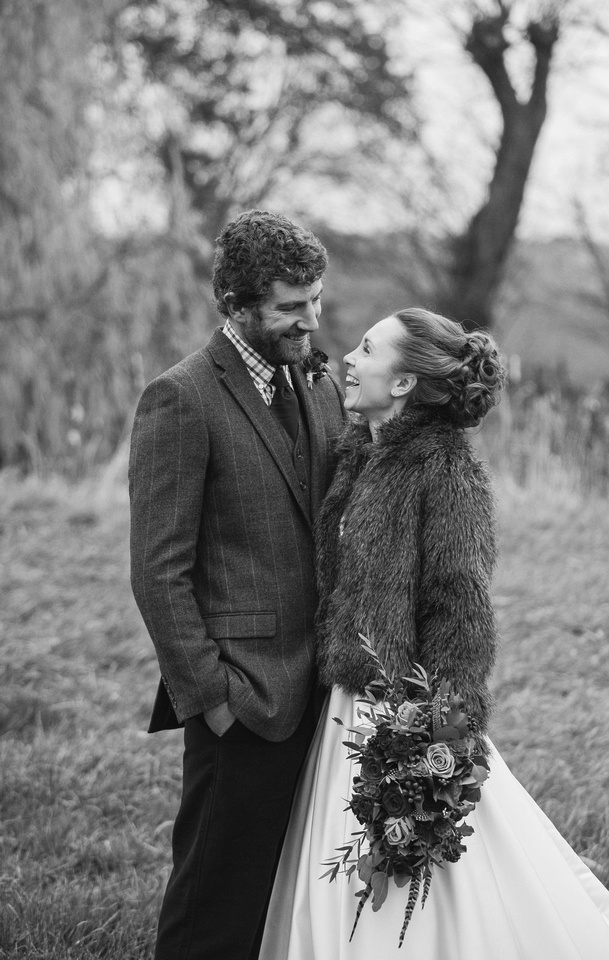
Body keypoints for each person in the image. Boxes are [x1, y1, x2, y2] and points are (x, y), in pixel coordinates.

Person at [259, 307, 609, 959]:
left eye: (366, 350)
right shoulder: (362, 452)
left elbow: (460, 606)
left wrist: (437, 733)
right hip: (344, 701)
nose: (348, 360)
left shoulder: (445, 471)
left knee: (417, 864)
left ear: (403, 384)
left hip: (402, 711)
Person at [128, 209, 347, 960]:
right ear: (237, 304)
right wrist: (212, 699)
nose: (309, 320)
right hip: (243, 698)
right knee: (214, 907)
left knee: (287, 900)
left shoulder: (318, 383)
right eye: (291, 306)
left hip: (324, 691)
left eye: (314, 300)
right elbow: (159, 570)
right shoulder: (180, 399)